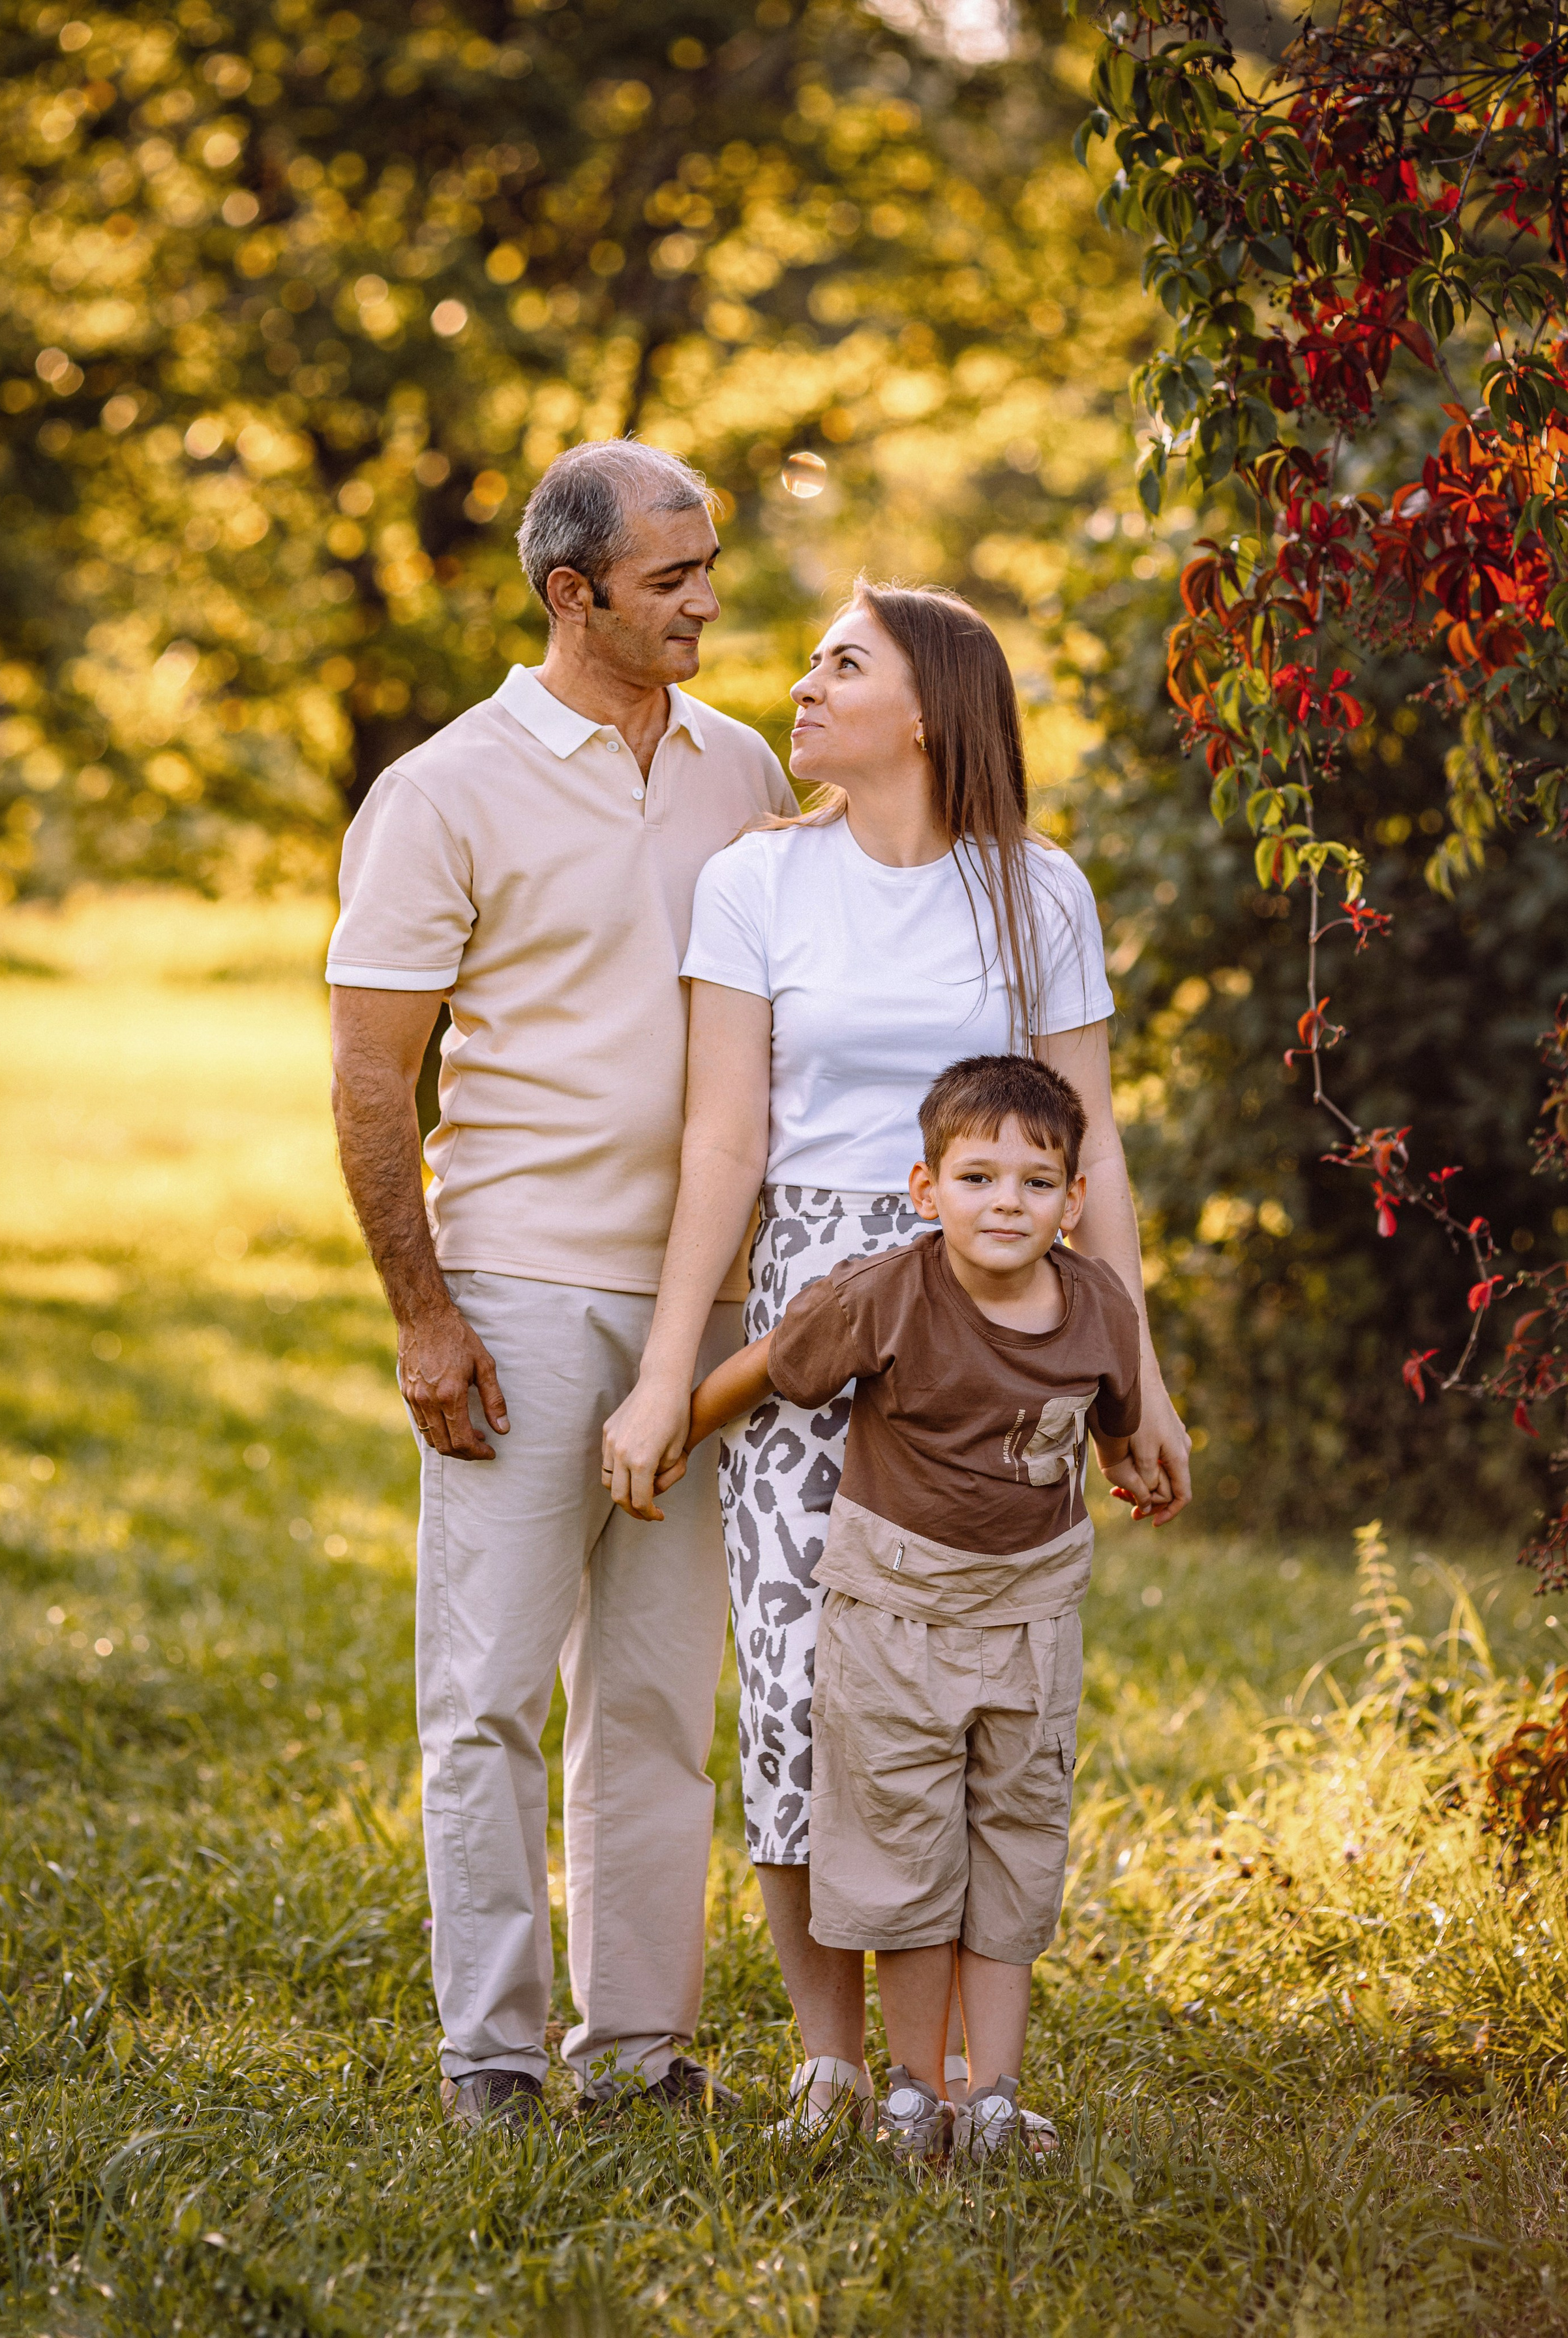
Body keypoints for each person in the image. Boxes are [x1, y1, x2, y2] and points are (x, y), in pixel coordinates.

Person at [601, 581, 1190, 2133]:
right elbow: (721, 1139)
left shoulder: (1035, 890)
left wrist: (1140, 1377)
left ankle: (957, 2078)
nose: (797, 683)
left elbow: (1096, 1150)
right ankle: (835, 2063)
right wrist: (674, 1371)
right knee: (802, 1682)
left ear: (926, 707)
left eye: (837, 662)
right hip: (818, 1292)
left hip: (998, 1308)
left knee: (956, 1688)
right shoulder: (755, 882)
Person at [326, 440, 794, 2130]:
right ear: (571, 591)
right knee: (492, 1695)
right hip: (517, 1291)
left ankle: (643, 2049)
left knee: (665, 1701)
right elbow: (375, 1074)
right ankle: (493, 2059)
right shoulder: (442, 790)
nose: (709, 600)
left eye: (711, 563)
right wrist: (422, 1313)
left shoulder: (746, 771)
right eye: (674, 576)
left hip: (708, 1311)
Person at [643, 1053, 1141, 2159]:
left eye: (1035, 1180)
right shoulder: (889, 1291)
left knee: (1013, 1848)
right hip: (896, 1621)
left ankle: (994, 2094)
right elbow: (776, 1364)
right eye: (977, 1178)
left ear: (1075, 1199)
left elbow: (1109, 1409)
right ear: (926, 1190)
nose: (1006, 1201)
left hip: (1030, 1623)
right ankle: (912, 2091)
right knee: (907, 1852)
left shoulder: (1099, 1303)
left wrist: (1140, 1456)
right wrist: (671, 1425)